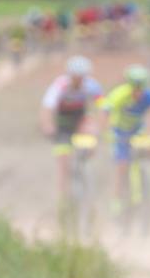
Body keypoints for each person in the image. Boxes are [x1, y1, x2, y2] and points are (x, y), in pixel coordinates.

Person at [41, 55, 105, 202]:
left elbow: (103, 107)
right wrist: (47, 126)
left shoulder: (92, 85)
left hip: (80, 121)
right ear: (70, 75)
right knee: (64, 163)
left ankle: (86, 170)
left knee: (90, 132)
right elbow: (47, 107)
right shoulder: (59, 85)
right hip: (62, 124)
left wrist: (99, 128)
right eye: (76, 77)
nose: (79, 80)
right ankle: (63, 198)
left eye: (82, 77)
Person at [101, 64, 150, 211]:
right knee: (122, 165)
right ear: (130, 84)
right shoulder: (120, 94)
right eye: (135, 87)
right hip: (120, 132)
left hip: (138, 131)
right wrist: (105, 132)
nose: (138, 91)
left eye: (141, 87)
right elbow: (105, 112)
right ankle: (117, 199)